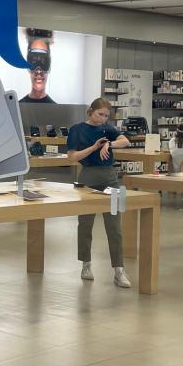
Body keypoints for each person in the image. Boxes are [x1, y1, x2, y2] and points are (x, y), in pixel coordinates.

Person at [67, 98, 131, 287]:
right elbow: (72, 157)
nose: (102, 119)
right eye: (99, 114)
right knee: (85, 223)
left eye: (106, 115)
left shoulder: (107, 129)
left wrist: (109, 145)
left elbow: (125, 141)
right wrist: (94, 147)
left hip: (110, 177)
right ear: (90, 112)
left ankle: (119, 270)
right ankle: (86, 264)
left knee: (115, 225)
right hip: (87, 177)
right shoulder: (77, 130)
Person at [19, 28, 56, 103]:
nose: (39, 71)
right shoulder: (17, 107)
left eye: (43, 61)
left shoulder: (57, 110)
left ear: (50, 64)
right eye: (34, 61)